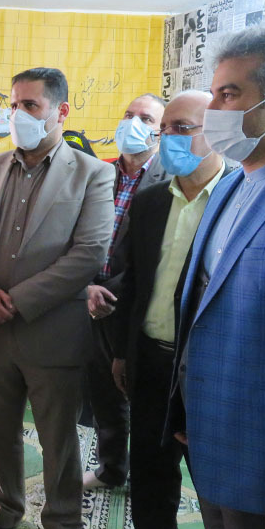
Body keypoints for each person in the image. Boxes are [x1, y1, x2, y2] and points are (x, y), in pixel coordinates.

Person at [168, 20, 265, 529]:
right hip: (211, 441)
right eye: (213, 94)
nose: (211, 111)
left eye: (228, 95)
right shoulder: (233, 184)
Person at [0, 67, 114, 529]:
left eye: (30, 105)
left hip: (52, 331)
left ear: (60, 112)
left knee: (57, 440)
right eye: (13, 104)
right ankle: (4, 510)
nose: (17, 114)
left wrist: (16, 301)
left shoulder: (92, 173)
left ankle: (62, 523)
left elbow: (89, 253)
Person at [109, 90, 235, 529]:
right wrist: (123, 353)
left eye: (182, 128)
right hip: (150, 366)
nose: (168, 139)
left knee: (219, 497)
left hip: (208, 374)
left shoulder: (241, 200)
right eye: (164, 130)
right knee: (150, 486)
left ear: (217, 132)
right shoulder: (149, 202)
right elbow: (133, 284)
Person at [83, 92, 167, 490]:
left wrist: (110, 292)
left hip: (135, 308)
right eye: (129, 114)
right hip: (87, 301)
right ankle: (111, 469)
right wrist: (85, 288)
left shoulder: (170, 180)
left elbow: (158, 255)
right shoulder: (98, 173)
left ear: (162, 131)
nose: (133, 123)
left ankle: (149, 482)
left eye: (146, 118)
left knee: (143, 397)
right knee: (103, 395)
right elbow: (72, 236)